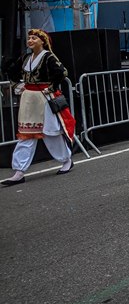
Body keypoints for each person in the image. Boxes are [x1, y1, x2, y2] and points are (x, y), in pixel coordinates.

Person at [1, 29, 76, 186]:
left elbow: (62, 72)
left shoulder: (48, 56)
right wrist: (18, 84)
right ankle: (19, 171)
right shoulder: (26, 57)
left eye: (34, 38)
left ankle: (66, 160)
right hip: (29, 99)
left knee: (50, 133)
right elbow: (12, 70)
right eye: (29, 38)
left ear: (42, 41)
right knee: (26, 134)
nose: (30, 40)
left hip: (43, 98)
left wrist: (52, 86)